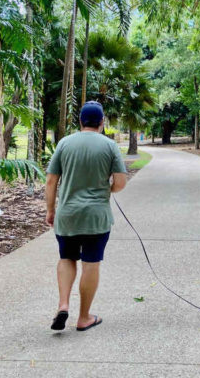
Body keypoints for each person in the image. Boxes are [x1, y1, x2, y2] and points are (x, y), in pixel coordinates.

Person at [45, 101, 127, 331]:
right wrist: (106, 190)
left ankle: (63, 305)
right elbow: (120, 182)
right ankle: (83, 318)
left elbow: (51, 181)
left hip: (67, 214)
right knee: (91, 262)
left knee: (67, 258)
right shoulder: (109, 146)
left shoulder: (64, 143)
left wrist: (51, 210)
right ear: (102, 123)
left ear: (80, 121)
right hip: (95, 216)